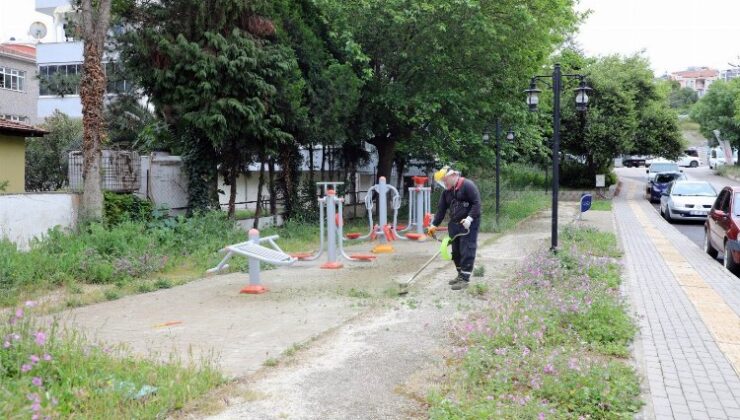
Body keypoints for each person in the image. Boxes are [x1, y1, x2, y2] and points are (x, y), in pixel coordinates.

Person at [427, 166, 481, 290]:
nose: (444, 183)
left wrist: (469, 219)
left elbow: (477, 203)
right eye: (442, 181)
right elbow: (441, 210)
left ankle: (465, 279)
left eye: (445, 180)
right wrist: (434, 225)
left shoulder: (468, 185)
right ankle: (460, 275)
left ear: (453, 176)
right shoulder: (446, 192)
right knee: (456, 251)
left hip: (469, 224)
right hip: (454, 224)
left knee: (466, 249)